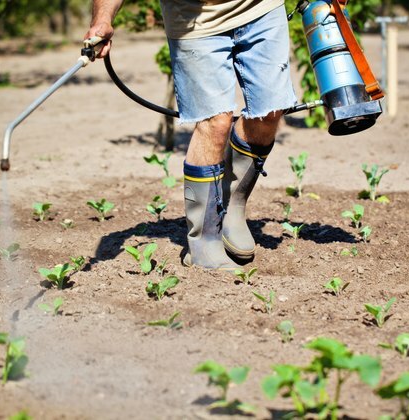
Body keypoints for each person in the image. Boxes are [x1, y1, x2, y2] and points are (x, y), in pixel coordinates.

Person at [86, 0, 297, 270]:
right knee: (215, 122)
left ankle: (231, 206)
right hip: (195, 19)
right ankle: (204, 241)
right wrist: (103, 18)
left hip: (261, 8)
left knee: (269, 112)